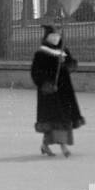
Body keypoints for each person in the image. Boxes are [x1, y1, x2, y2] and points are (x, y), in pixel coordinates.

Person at [31, 24, 84, 157]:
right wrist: (46, 84)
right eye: (54, 34)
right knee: (56, 120)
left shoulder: (63, 50)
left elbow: (71, 65)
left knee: (62, 120)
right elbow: (36, 72)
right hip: (50, 92)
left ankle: (45, 145)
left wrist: (66, 63)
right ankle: (64, 147)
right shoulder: (41, 53)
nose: (56, 36)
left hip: (64, 91)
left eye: (58, 33)